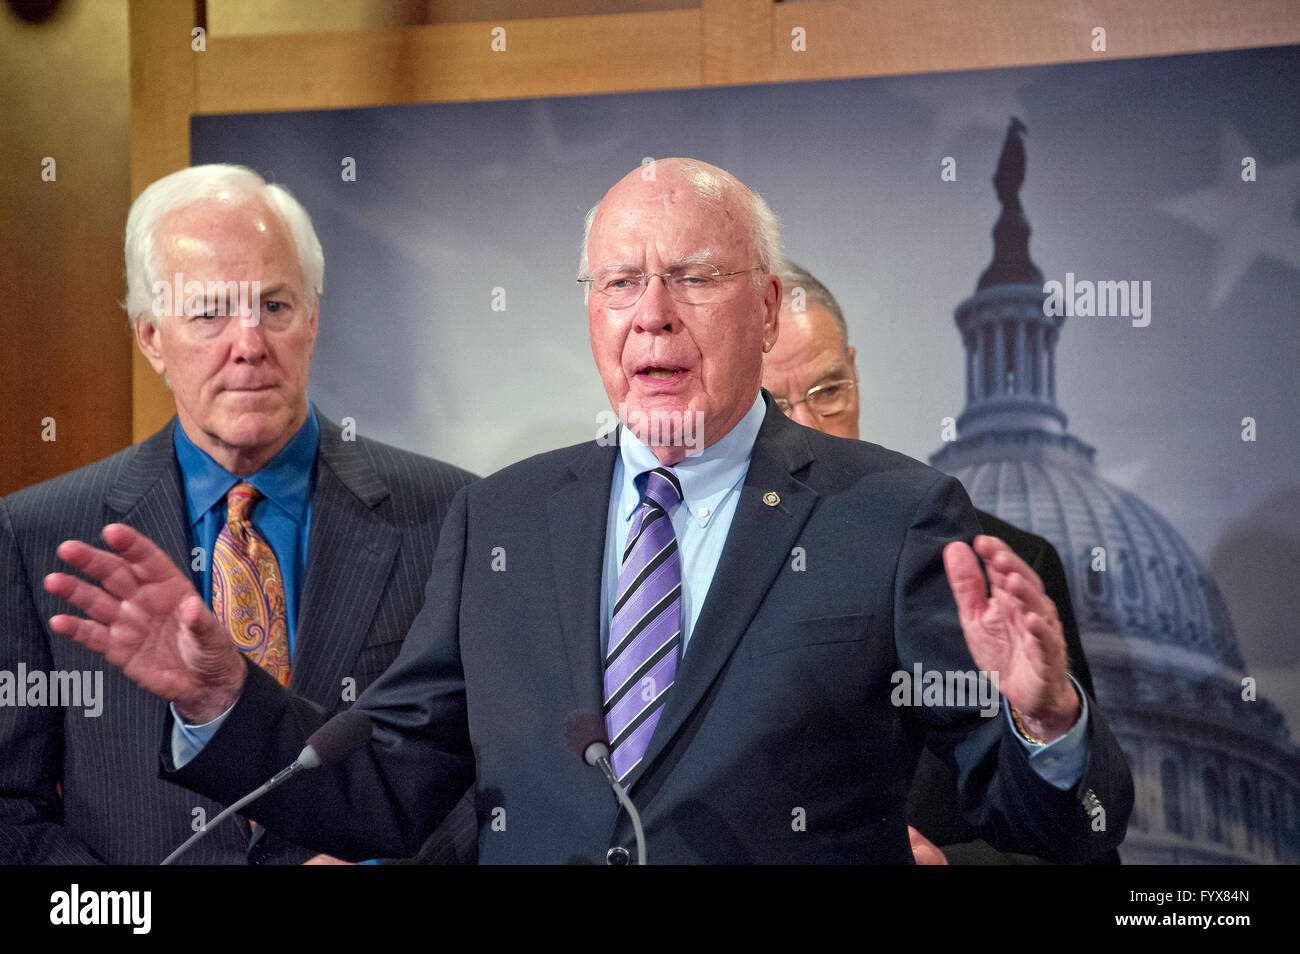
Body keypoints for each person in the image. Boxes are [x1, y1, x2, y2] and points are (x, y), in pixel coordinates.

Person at [44, 158, 1133, 863]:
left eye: (692, 279)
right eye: (618, 284)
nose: (649, 317)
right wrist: (227, 698)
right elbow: (383, 787)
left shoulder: (889, 514)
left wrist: (1044, 722)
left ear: (763, 310)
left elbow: (1055, 829)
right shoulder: (504, 522)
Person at [0, 164, 477, 864]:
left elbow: (490, 778)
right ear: (151, 338)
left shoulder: (451, 517)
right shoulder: (38, 535)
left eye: (275, 307)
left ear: (313, 318)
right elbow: (11, 814)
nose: (248, 343)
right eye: (209, 312)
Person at [762, 260, 1112, 864]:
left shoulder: (1002, 565)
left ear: (855, 371)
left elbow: (1084, 839)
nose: (809, 430)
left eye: (829, 391)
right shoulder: (688, 580)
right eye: (774, 407)